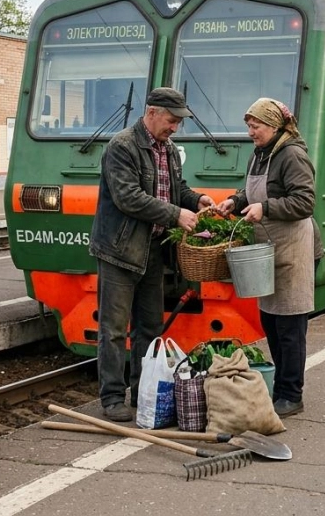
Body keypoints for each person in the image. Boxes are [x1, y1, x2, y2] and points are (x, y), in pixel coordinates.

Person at [88, 87, 213, 422]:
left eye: (178, 123)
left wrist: (194, 200)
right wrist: (175, 215)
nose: (175, 127)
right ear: (153, 112)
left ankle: (140, 391)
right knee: (113, 329)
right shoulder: (122, 146)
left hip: (153, 252)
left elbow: (175, 189)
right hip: (119, 250)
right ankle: (112, 397)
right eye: (171, 120)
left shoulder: (168, 149)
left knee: (151, 327)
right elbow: (128, 197)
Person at [214, 98, 321, 418]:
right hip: (268, 250)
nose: (250, 131)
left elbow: (305, 202)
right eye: (249, 125)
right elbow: (254, 192)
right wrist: (235, 201)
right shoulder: (260, 154)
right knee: (271, 322)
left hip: (293, 250)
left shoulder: (292, 155)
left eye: (255, 125)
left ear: (274, 126)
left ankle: (292, 394)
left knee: (290, 324)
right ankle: (282, 388)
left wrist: (267, 208)